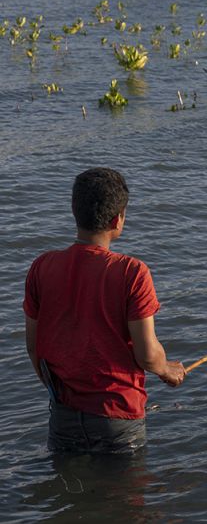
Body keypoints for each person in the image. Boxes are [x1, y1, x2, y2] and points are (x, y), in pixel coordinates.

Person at [23, 167, 185, 454]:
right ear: (117, 220)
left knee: (68, 493)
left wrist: (62, 397)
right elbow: (147, 356)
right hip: (117, 418)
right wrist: (168, 370)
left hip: (63, 416)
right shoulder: (132, 272)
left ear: (74, 211)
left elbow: (34, 348)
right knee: (125, 496)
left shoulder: (41, 267)